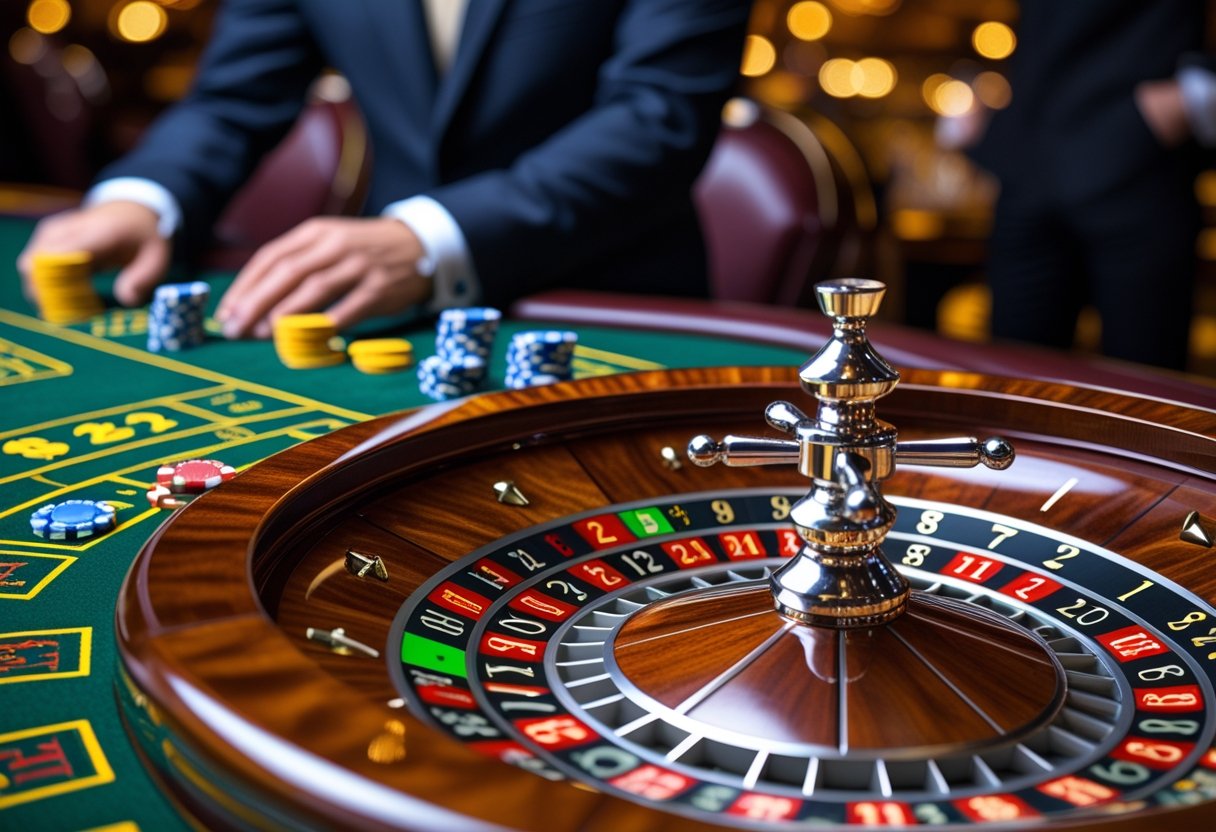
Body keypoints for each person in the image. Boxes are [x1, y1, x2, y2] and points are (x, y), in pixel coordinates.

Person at [17, 0, 752, 339]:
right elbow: (235, 98)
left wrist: (429, 238)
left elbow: (660, 116)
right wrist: (145, 198)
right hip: (389, 312)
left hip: (611, 309)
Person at [967, 0, 1214, 371]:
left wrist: (1191, 97)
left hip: (1138, 167)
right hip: (1030, 164)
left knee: (1141, 397)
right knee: (1016, 385)